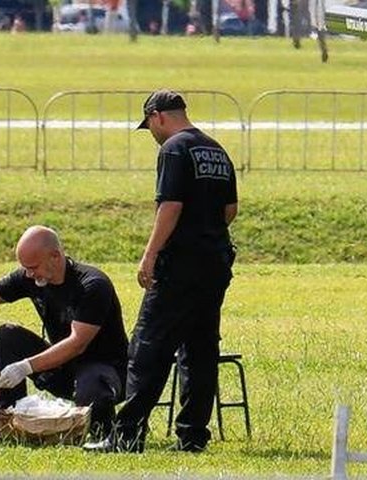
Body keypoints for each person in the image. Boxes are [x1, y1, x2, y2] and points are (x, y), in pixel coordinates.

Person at [85, 90, 238, 453]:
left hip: (179, 267)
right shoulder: (216, 150)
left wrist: (150, 254)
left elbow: (170, 205)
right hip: (214, 264)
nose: (151, 132)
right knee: (199, 351)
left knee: (148, 348)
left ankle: (127, 434)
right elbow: (230, 210)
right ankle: (192, 435)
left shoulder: (173, 149)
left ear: (158, 116)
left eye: (149, 125)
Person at [0, 225, 129, 440]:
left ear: (55, 256)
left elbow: (77, 343)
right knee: (7, 335)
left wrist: (25, 367)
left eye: (33, 267)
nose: (29, 274)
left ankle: (102, 430)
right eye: (25, 268)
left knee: (92, 382)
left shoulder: (93, 285)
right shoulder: (31, 277)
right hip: (64, 369)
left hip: (106, 370)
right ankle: (7, 420)